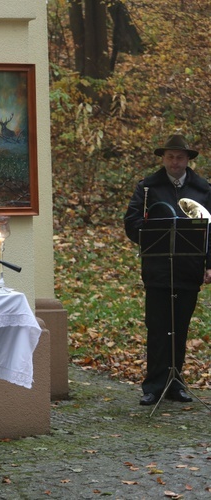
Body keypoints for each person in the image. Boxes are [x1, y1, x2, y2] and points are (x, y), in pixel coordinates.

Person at [124, 133, 211, 406]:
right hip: (159, 269)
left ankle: (175, 383)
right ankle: (153, 385)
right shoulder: (148, 187)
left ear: (188, 160)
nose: (175, 162)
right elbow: (132, 222)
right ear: (163, 158)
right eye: (170, 157)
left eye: (180, 157)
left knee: (180, 327)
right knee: (158, 327)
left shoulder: (203, 190)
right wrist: (150, 234)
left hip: (189, 267)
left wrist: (210, 264)